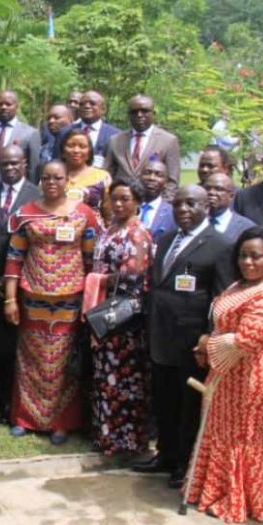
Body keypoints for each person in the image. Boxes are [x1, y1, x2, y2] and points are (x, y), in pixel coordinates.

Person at [134, 185, 235, 489]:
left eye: (191, 204)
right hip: (161, 336)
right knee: (164, 400)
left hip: (192, 342)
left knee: (187, 405)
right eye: (178, 204)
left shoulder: (219, 245)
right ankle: (165, 454)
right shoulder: (166, 240)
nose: (183, 210)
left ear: (207, 206)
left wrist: (208, 337)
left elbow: (221, 298)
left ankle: (184, 463)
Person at [184, 227, 263, 523]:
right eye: (243, 255)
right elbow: (221, 326)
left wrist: (207, 343)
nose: (248, 262)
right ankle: (212, 490)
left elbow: (248, 339)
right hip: (225, 371)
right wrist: (207, 346)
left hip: (254, 375)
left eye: (256, 256)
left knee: (244, 436)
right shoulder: (237, 286)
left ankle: (242, 498)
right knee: (219, 431)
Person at [4, 161, 99, 443]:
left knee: (61, 363)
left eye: (57, 178)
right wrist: (10, 299)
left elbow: (92, 261)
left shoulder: (85, 215)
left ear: (68, 181)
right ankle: (24, 418)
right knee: (30, 360)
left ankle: (61, 422)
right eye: (46, 178)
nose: (51, 183)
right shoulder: (25, 215)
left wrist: (90, 303)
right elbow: (13, 259)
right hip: (32, 300)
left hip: (69, 303)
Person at [0, 145, 42, 420]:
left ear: (25, 164)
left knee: (14, 348)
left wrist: (14, 280)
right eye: (5, 163)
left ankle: (9, 401)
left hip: (22, 285)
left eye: (15, 163)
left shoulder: (37, 196)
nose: (10, 168)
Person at [88, 178, 153, 455]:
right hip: (105, 311)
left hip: (123, 317)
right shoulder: (111, 228)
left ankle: (125, 439)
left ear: (137, 202)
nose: (118, 203)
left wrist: (97, 280)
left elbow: (133, 274)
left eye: (125, 198)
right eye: (114, 198)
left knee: (123, 379)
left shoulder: (138, 234)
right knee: (105, 375)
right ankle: (106, 435)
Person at [106, 95, 181, 186]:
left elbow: (172, 180)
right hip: (122, 197)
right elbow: (107, 174)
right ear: (129, 115)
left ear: (154, 113)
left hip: (151, 197)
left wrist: (164, 200)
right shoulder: (115, 140)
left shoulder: (169, 141)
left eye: (144, 111)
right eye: (134, 112)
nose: (139, 115)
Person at [54, 90, 119, 167]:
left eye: (92, 103)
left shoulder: (115, 135)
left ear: (103, 109)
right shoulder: (64, 132)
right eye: (82, 104)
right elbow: (57, 161)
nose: (87, 106)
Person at [0, 90, 42, 181]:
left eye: (8, 104)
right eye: (0, 104)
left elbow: (33, 169)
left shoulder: (30, 133)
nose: (4, 107)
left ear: (16, 106)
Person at [59, 128, 113, 217]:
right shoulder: (52, 176)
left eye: (82, 146)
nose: (76, 150)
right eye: (71, 145)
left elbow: (108, 213)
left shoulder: (102, 177)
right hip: (57, 228)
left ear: (89, 152)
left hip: (92, 228)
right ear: (63, 151)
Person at [203, 173, 257, 242]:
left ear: (231, 196)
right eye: (207, 188)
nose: (211, 192)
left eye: (218, 189)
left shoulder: (246, 228)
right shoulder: (193, 223)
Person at [139, 159, 176, 240]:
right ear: (139, 177)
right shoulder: (128, 207)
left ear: (166, 182)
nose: (152, 178)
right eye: (147, 173)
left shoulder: (172, 213)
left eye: (158, 175)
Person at [39, 103, 73, 169]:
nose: (51, 121)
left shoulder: (74, 148)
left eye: (57, 118)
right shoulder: (46, 146)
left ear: (70, 120)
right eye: (48, 118)